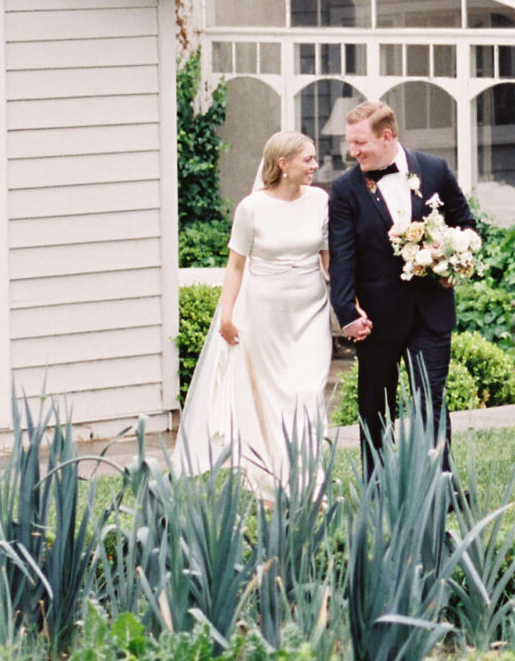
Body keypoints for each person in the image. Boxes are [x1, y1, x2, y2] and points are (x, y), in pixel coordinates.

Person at [173, 130, 335, 489]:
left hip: (310, 309)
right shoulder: (252, 208)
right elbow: (235, 266)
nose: (315, 165)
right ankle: (274, 479)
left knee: (307, 392)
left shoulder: (320, 201)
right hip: (265, 312)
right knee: (274, 396)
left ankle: (308, 475)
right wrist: (227, 314)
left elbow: (329, 259)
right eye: (307, 159)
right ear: (283, 164)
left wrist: (351, 299)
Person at [327, 98, 478, 465]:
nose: (352, 150)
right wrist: (346, 311)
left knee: (433, 400)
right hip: (376, 319)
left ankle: (441, 484)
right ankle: (378, 489)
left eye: (360, 143)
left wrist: (450, 258)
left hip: (431, 311)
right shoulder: (345, 189)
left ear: (387, 136)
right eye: (350, 142)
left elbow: (467, 225)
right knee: (374, 406)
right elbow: (342, 255)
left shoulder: (435, 169)